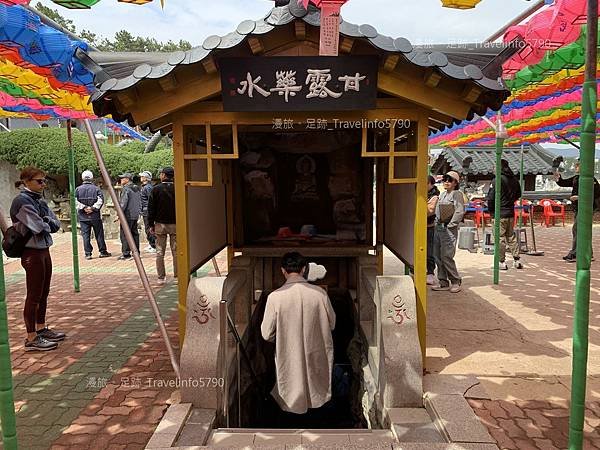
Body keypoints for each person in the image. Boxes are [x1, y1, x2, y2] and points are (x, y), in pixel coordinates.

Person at [261, 252, 336, 419]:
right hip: (317, 351)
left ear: (283, 271)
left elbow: (266, 334)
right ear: (304, 269)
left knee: (290, 388)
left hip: (289, 354)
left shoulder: (275, 297)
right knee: (318, 391)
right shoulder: (320, 294)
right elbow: (332, 324)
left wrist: (282, 336)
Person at [10, 167, 66, 351]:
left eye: (44, 181)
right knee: (34, 294)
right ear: (26, 182)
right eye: (39, 181)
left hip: (43, 249)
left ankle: (41, 329)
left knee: (44, 291)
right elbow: (38, 227)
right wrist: (46, 221)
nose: (43, 184)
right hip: (31, 252)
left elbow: (55, 224)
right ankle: (31, 337)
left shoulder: (38, 200)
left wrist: (46, 221)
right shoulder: (21, 201)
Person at [555, 159, 598, 262]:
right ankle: (588, 252)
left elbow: (595, 194)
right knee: (582, 231)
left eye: (578, 166)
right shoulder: (576, 178)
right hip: (577, 208)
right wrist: (557, 176)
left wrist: (579, 197)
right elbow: (563, 183)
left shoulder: (591, 179)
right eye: (576, 166)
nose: (576, 167)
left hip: (586, 208)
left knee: (577, 229)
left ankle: (575, 253)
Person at [486, 159, 523, 270]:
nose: (493, 168)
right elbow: (519, 194)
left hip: (499, 213)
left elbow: (491, 198)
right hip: (510, 212)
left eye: (494, 166)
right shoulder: (514, 179)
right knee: (511, 236)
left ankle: (501, 261)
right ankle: (517, 260)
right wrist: (509, 201)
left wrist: (491, 211)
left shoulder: (496, 180)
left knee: (499, 238)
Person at [432, 171, 465, 293]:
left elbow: (459, 211)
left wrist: (451, 224)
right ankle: (443, 281)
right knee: (438, 256)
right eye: (445, 179)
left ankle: (455, 280)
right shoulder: (443, 194)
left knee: (446, 255)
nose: (446, 182)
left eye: (450, 180)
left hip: (448, 229)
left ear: (455, 183)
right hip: (439, 228)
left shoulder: (457, 194)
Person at [148, 167, 176, 283]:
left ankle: (161, 277)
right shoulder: (177, 188)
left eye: (161, 174)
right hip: (175, 223)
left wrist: (150, 224)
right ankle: (177, 276)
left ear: (164, 175)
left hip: (160, 224)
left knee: (160, 252)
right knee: (176, 251)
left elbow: (151, 208)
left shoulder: (156, 189)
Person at [75, 170, 111, 260]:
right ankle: (102, 251)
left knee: (85, 235)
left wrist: (84, 208)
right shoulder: (96, 189)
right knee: (99, 234)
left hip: (83, 216)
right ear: (91, 178)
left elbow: (75, 201)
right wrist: (92, 208)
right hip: (95, 216)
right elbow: (100, 200)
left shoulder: (78, 189)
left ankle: (88, 253)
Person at [117, 173, 141, 261]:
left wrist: (119, 214)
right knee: (134, 233)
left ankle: (126, 254)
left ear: (127, 179)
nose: (121, 180)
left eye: (122, 178)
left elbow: (123, 203)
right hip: (135, 214)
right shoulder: (137, 187)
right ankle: (136, 252)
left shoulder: (126, 189)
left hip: (127, 214)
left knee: (125, 234)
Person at [139, 170, 156, 254]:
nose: (141, 178)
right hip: (145, 210)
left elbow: (151, 200)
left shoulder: (147, 187)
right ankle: (151, 244)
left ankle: (154, 245)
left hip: (147, 211)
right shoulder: (145, 187)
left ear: (146, 178)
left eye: (142, 176)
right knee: (147, 228)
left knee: (149, 228)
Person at [427, 175, 440, 286]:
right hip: (421, 225)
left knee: (429, 250)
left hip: (429, 226)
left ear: (431, 184)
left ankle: (430, 272)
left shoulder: (434, 196)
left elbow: (430, 211)